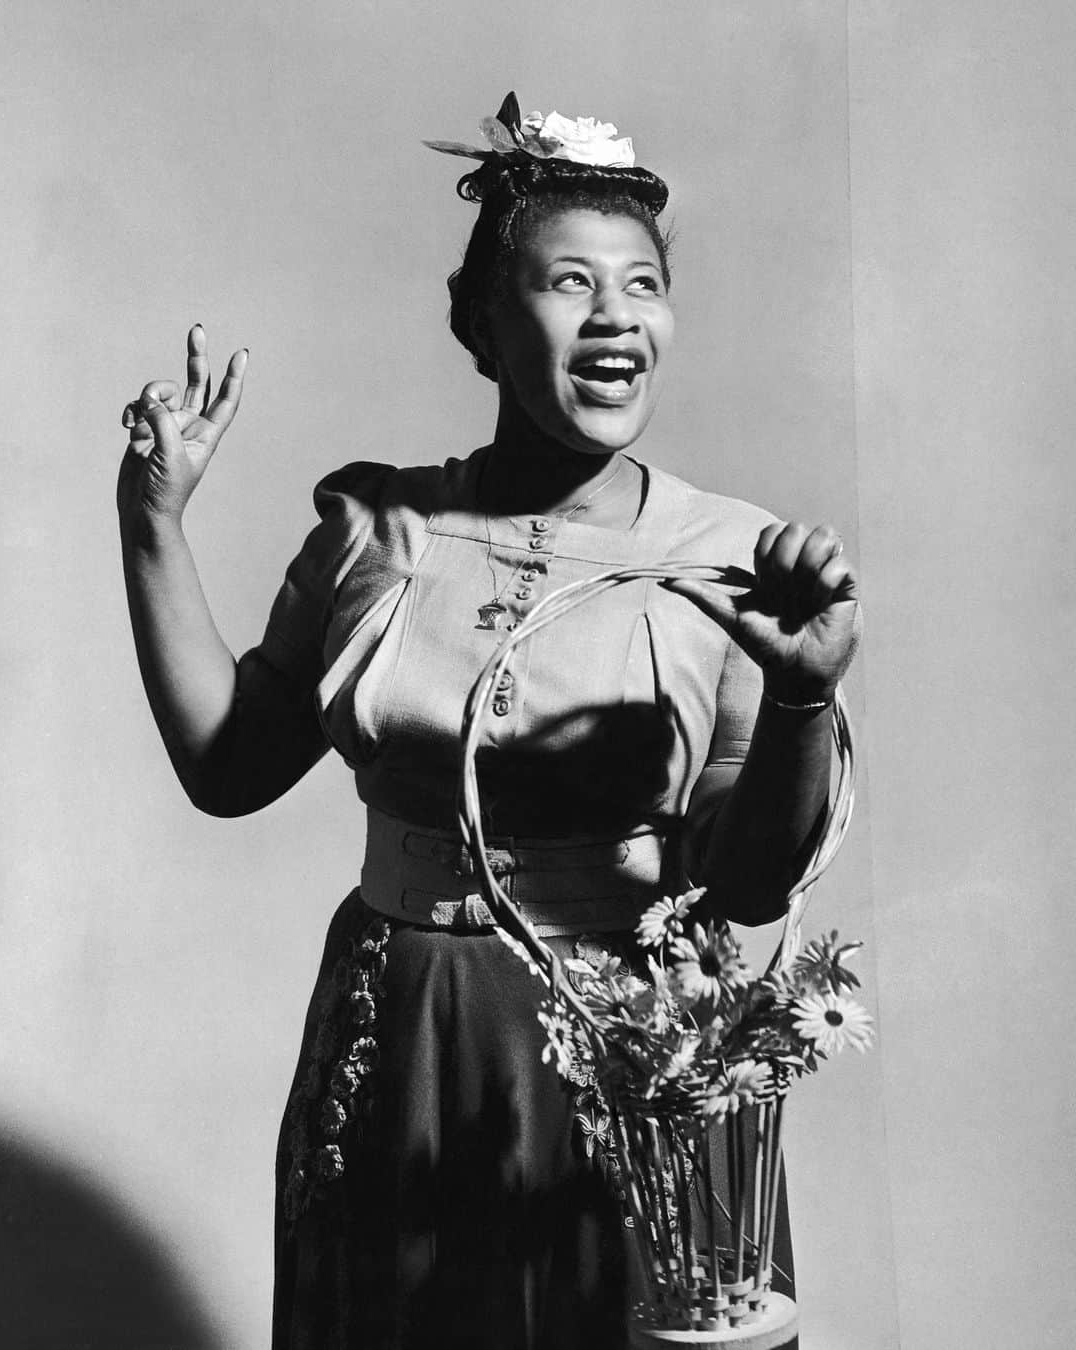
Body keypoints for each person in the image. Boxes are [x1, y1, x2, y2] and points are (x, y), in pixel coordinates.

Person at [118, 95, 859, 1350]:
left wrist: (802, 690)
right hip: (399, 1036)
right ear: (479, 323)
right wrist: (153, 521)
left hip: (633, 1054)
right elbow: (226, 767)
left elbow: (746, 893)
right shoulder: (380, 534)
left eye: (643, 284)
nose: (617, 315)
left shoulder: (736, 558)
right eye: (570, 282)